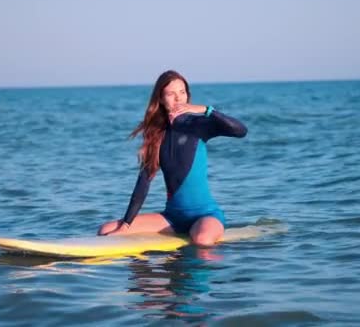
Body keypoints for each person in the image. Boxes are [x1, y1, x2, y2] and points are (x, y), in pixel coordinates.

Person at [97, 70, 247, 246]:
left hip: (205, 215)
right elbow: (143, 184)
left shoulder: (198, 126)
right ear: (160, 98)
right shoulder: (156, 136)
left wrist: (207, 110)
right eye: (171, 94)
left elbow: (240, 131)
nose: (178, 98)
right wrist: (126, 225)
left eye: (182, 92)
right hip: (173, 218)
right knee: (105, 230)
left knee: (202, 240)